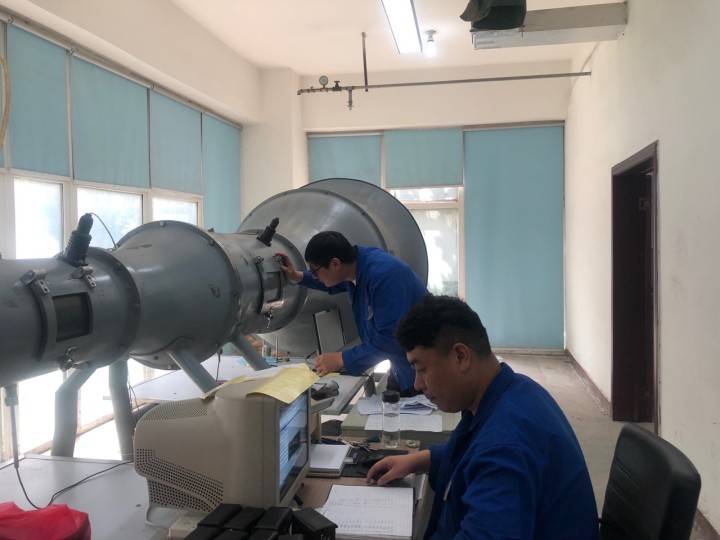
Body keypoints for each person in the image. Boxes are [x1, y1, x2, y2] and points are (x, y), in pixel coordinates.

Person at [366, 295, 600, 540]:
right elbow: (474, 452)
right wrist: (419, 460)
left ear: (460, 357)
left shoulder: (505, 448)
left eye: (422, 369)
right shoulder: (516, 389)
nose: (417, 384)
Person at [276, 231, 427, 396]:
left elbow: (390, 340)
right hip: (402, 366)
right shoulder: (357, 268)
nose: (315, 277)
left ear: (335, 264)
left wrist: (341, 359)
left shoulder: (384, 275)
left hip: (424, 369)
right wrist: (296, 276)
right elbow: (331, 283)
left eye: (315, 271)